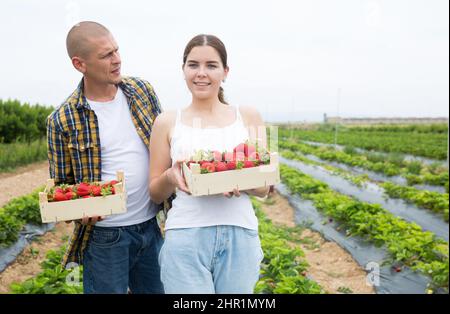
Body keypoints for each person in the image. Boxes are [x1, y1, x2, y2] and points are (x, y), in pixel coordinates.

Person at [47, 21, 172, 294]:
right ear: (80, 64)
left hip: (151, 226)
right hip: (106, 236)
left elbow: (165, 147)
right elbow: (61, 185)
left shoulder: (141, 91)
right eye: (106, 55)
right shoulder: (63, 119)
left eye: (116, 51)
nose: (117, 60)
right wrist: (80, 210)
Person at [149, 34, 268, 293]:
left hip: (240, 235)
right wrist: (171, 176)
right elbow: (155, 192)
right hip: (185, 235)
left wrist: (239, 179)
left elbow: (264, 187)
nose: (201, 73)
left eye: (211, 65)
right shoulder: (167, 122)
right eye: (193, 65)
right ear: (183, 70)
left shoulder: (248, 116)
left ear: (225, 72)